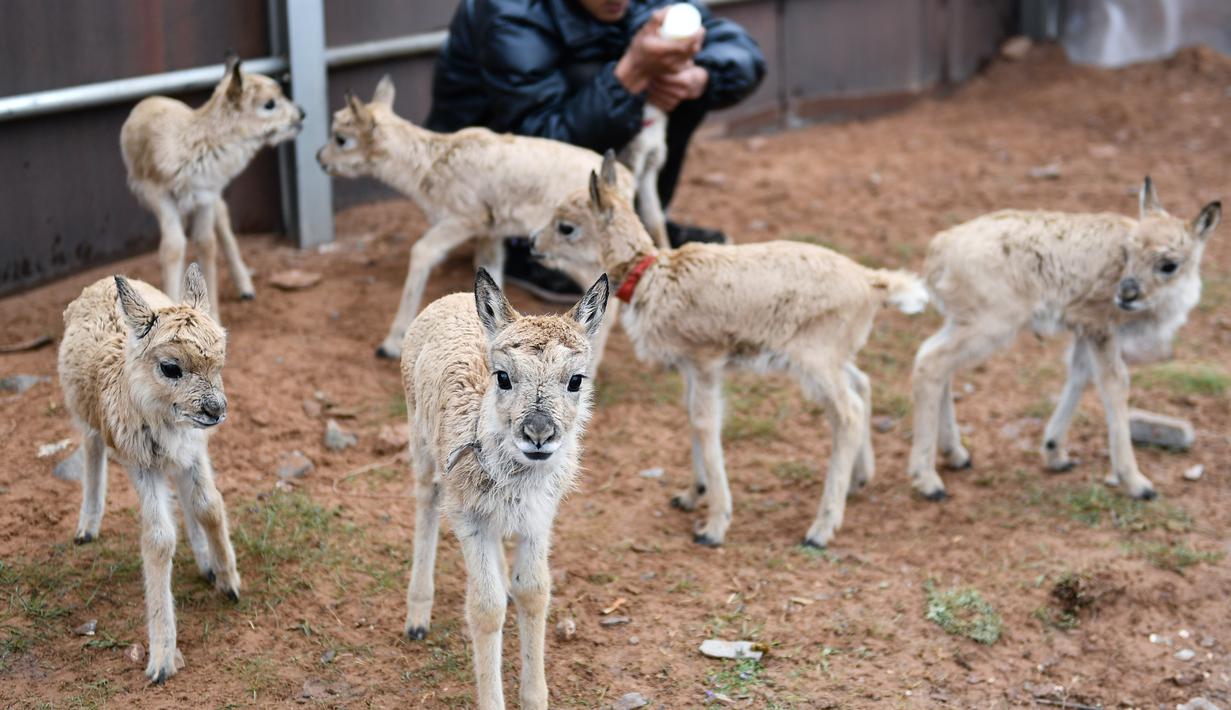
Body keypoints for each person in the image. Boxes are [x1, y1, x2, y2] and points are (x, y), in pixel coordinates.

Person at [426, 0, 767, 301]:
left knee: (673, 70)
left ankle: (634, 220)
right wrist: (631, 71)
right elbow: (543, 136)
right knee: (614, 77)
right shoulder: (507, 10)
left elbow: (740, 50)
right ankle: (526, 246)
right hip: (486, 165)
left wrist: (698, 79)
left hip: (573, 125)